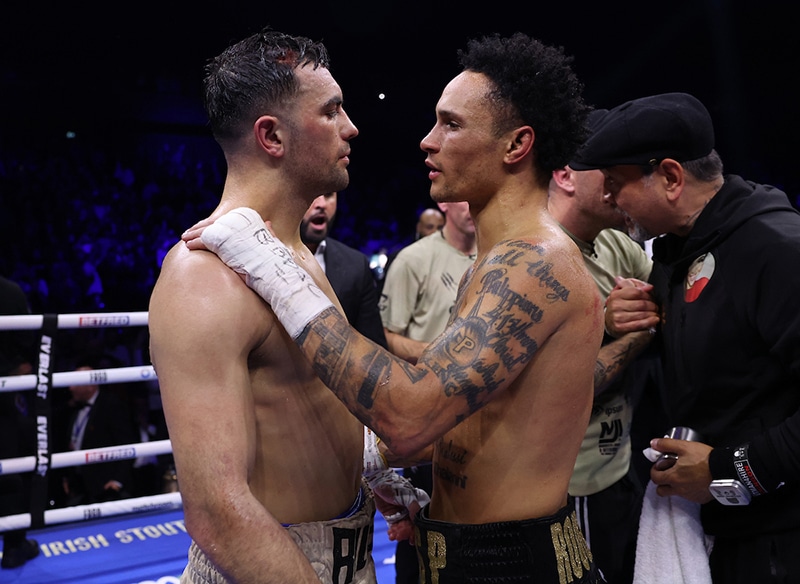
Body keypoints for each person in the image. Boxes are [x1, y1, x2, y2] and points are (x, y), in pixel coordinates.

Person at [190, 32, 604, 583]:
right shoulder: (497, 261)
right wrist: (393, 479)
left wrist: (274, 271)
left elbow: (409, 416)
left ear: (515, 145)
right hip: (462, 548)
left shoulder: (535, 263)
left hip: (512, 564)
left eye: (451, 124)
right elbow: (468, 418)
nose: (427, 141)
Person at [149, 28, 424, 584]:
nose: (352, 127)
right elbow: (218, 513)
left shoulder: (293, 256)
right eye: (331, 112)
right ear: (271, 136)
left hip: (349, 552)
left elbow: (305, 411)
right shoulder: (205, 275)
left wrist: (365, 466)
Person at [569, 91, 800, 583]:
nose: (607, 198)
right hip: (720, 526)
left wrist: (728, 469)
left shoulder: (777, 249)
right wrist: (626, 318)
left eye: (615, 183)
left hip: (781, 536)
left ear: (671, 178)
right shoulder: (677, 247)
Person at [547, 112, 656, 583]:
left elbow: (666, 305)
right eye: (607, 170)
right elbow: (562, 389)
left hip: (620, 462)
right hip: (568, 482)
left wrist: (646, 315)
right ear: (565, 174)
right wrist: (622, 329)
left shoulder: (615, 241)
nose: (618, 183)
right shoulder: (537, 259)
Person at [378, 200, 476, 583]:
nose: (470, 207)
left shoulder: (497, 255)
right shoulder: (413, 259)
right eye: (462, 199)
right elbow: (385, 335)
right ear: (445, 203)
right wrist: (442, 356)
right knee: (418, 545)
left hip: (477, 422)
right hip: (426, 422)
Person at [300, 192, 387, 347]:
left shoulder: (355, 265)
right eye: (313, 192)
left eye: (328, 194)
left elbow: (374, 349)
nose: (322, 204)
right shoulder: (260, 258)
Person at [0, 275, 40, 569]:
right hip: (4, 386)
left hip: (6, 385)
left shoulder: (10, 291)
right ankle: (14, 546)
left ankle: (15, 545)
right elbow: (27, 340)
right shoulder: (9, 291)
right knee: (10, 466)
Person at [59, 359, 137, 506]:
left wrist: (117, 481)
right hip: (80, 487)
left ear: (90, 385)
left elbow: (127, 442)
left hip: (107, 488)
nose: (70, 388)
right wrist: (67, 477)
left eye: (75, 383)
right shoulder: (73, 408)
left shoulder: (112, 405)